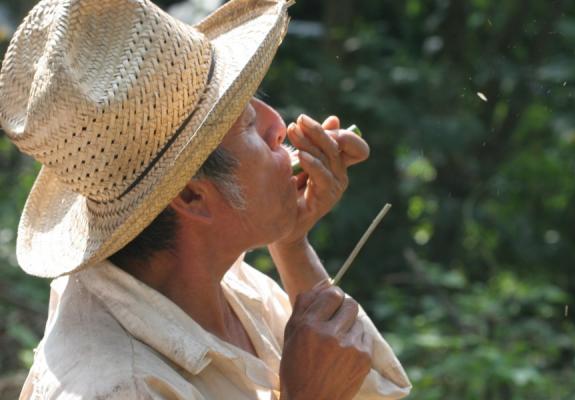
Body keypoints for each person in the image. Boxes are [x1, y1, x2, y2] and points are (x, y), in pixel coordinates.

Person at [0, 0, 412, 398]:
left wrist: (291, 239)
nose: (278, 127)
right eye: (249, 125)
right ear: (192, 195)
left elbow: (371, 387)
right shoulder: (120, 386)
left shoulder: (221, 285)